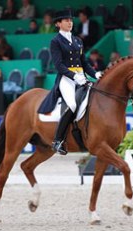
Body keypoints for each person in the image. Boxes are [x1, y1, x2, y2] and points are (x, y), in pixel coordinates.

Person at [37, 10, 102, 155]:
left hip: (81, 77)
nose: (70, 22)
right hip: (66, 78)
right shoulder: (55, 41)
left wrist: (95, 73)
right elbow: (58, 65)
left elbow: (84, 63)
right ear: (58, 24)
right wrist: (74, 76)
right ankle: (57, 140)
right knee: (72, 104)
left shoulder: (78, 40)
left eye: (71, 20)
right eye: (66, 20)